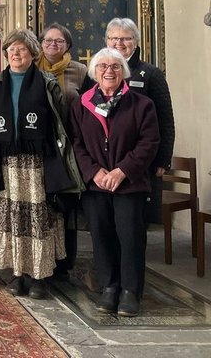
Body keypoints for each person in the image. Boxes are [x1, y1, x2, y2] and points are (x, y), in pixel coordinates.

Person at [0, 29, 80, 300]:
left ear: (33, 53)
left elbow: (61, 122)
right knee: (13, 218)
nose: (16, 54)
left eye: (21, 49)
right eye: (11, 49)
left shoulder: (47, 82)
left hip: (38, 162)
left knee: (38, 219)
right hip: (7, 163)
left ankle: (40, 277)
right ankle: (18, 273)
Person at [71, 47, 160, 316]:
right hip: (95, 185)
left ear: (124, 72)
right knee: (101, 235)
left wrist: (121, 171)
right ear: (94, 72)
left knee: (130, 237)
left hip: (129, 184)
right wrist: (95, 172)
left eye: (115, 66)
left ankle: (131, 292)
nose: (109, 71)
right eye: (103, 67)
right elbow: (76, 143)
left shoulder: (142, 104)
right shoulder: (81, 103)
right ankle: (109, 287)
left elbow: (149, 142)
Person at [105, 18, 174, 224]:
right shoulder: (96, 72)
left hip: (140, 159)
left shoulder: (151, 73)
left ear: (135, 41)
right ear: (106, 41)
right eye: (114, 38)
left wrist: (163, 158)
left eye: (126, 38)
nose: (119, 43)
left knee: (135, 222)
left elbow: (166, 119)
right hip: (105, 159)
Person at [36, 22, 88, 280]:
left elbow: (89, 108)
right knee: (41, 206)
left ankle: (64, 263)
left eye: (59, 41)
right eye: (47, 41)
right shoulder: (31, 67)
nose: (52, 46)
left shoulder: (80, 71)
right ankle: (41, 260)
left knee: (65, 206)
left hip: (68, 146)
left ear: (68, 45)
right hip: (40, 146)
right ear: (40, 43)